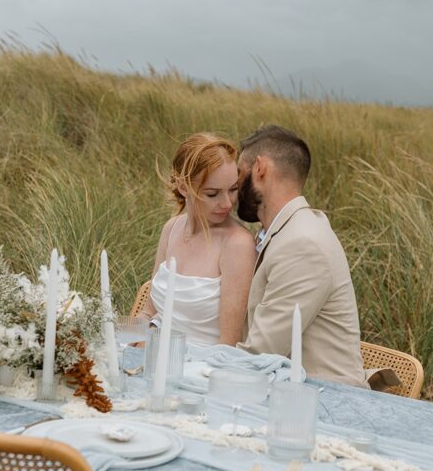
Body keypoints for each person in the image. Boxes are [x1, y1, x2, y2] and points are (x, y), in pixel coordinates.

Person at [235, 125, 368, 388]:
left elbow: (261, 352)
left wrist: (196, 364)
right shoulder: (287, 230)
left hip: (323, 401)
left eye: (240, 173)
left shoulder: (302, 243)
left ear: (260, 169)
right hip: (289, 390)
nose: (234, 184)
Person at [141, 132, 257, 346]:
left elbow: (229, 344)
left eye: (233, 190)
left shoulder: (237, 244)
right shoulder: (171, 228)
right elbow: (148, 311)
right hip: (150, 356)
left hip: (200, 370)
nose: (227, 204)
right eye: (213, 193)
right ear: (184, 187)